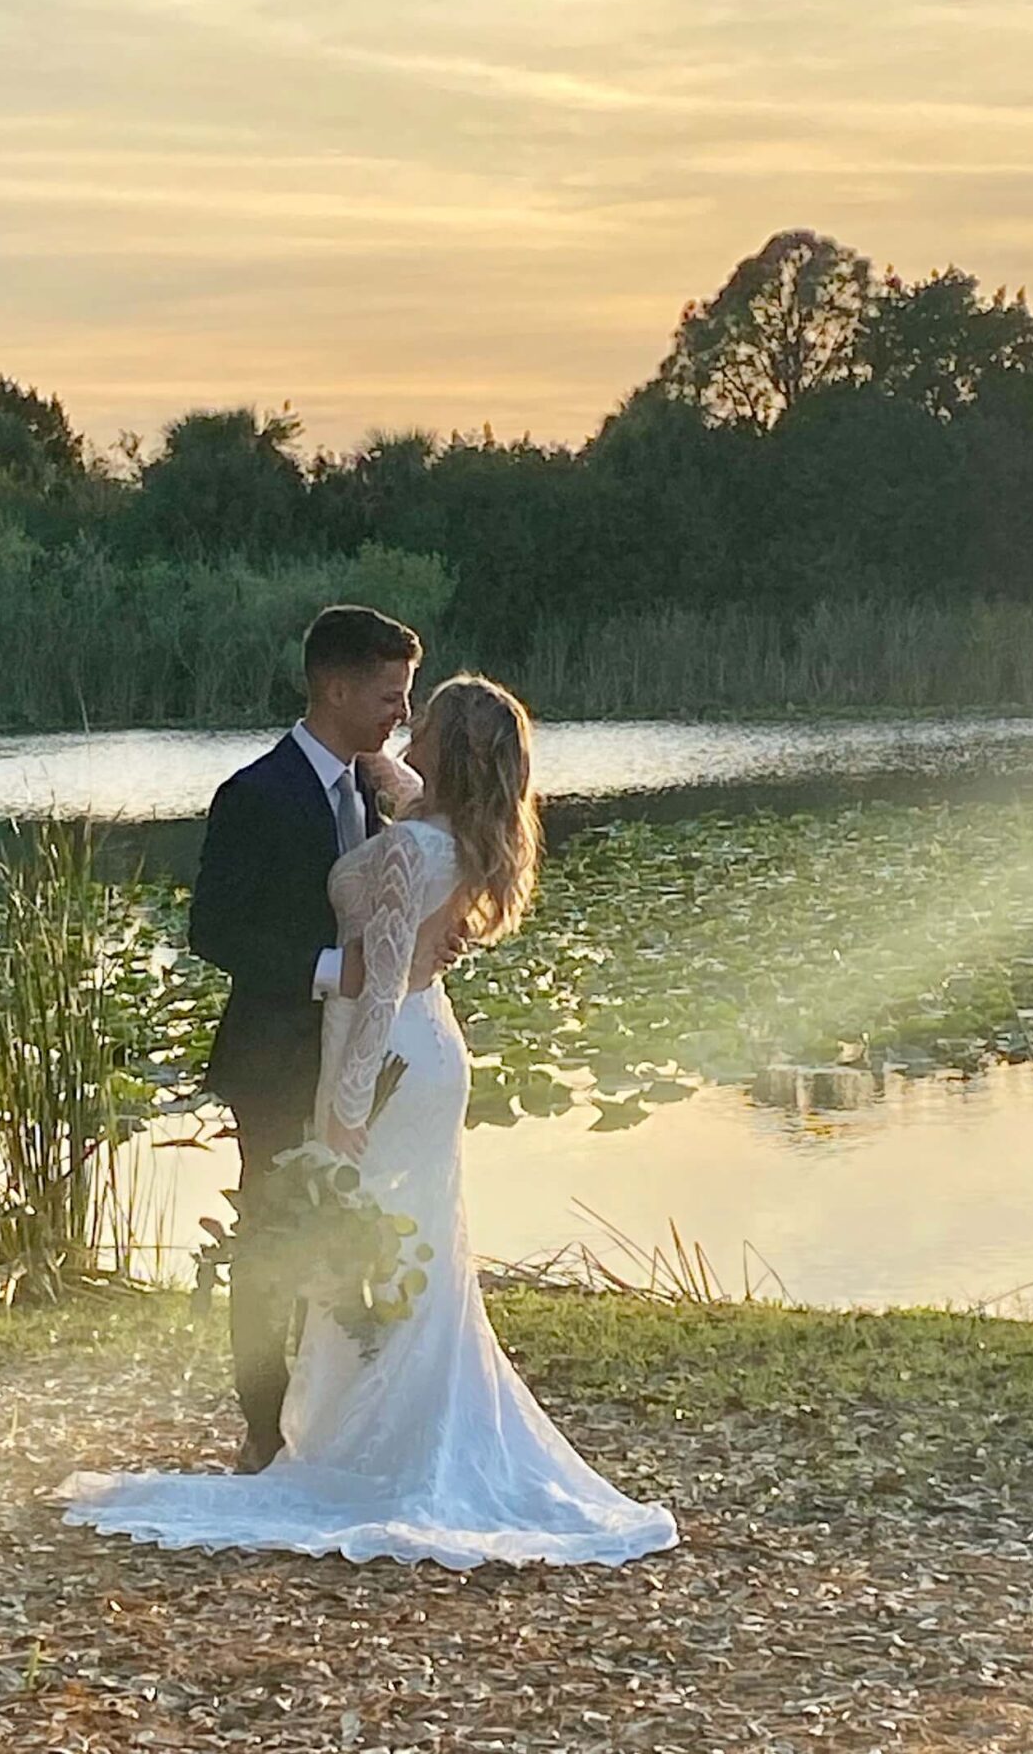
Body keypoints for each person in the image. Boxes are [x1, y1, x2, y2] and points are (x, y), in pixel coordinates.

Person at [62, 675, 678, 1570]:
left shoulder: (412, 852)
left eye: (419, 715)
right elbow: (388, 784)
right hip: (426, 1057)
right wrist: (371, 746)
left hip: (385, 1062)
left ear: (448, 748)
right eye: (397, 700)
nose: (405, 721)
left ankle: (379, 1448)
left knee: (377, 1242)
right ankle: (366, 1431)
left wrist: (346, 1117)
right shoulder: (452, 830)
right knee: (412, 1247)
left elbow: (379, 987)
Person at [184, 603, 420, 1473]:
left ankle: (345, 1404)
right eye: (390, 695)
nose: (402, 713)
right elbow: (212, 929)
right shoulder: (255, 793)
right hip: (278, 1052)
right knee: (272, 1236)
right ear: (335, 686)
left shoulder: (380, 786)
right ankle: (262, 1422)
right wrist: (333, 970)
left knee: (362, 1219)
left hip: (364, 1056)